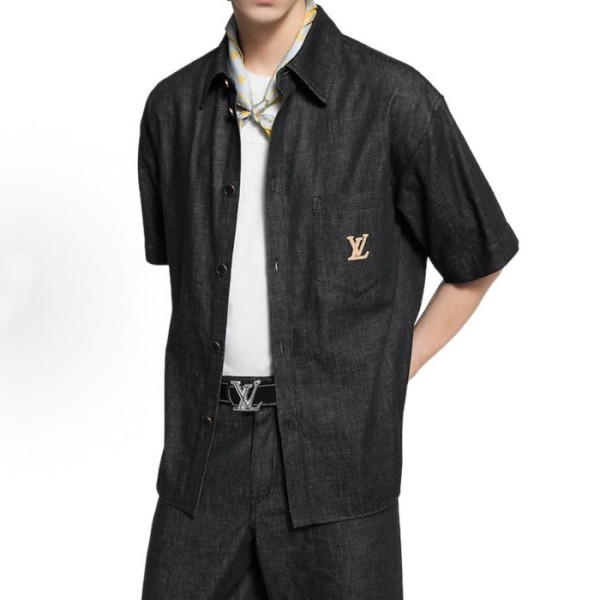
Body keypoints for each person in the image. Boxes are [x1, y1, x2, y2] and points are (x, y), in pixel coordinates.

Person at [137, 1, 520, 598]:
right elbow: (188, 280)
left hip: (339, 465)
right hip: (203, 460)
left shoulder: (394, 100)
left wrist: (391, 366)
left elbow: (479, 257)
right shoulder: (172, 108)